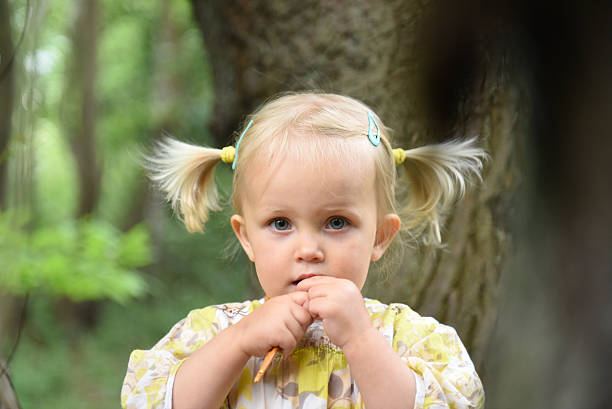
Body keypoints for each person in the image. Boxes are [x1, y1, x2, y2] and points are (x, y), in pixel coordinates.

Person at [121, 92, 486, 409]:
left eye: (337, 222)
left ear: (379, 236)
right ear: (246, 237)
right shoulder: (212, 333)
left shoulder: (409, 339)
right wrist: (239, 342)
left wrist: (360, 340)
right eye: (281, 223)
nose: (309, 250)